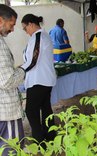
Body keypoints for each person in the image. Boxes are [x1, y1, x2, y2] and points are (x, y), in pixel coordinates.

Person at [21, 14, 57, 145]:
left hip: (39, 80)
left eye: (25, 28)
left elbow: (33, 59)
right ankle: (50, 136)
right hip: (44, 79)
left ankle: (39, 141)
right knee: (45, 108)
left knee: (31, 111)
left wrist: (20, 70)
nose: (26, 32)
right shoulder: (43, 36)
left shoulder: (38, 36)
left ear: (31, 24)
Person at [0, 4, 26, 155]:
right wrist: (22, 71)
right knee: (12, 150)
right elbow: (7, 80)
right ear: (0, 20)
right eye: (11, 24)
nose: (13, 29)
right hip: (6, 111)